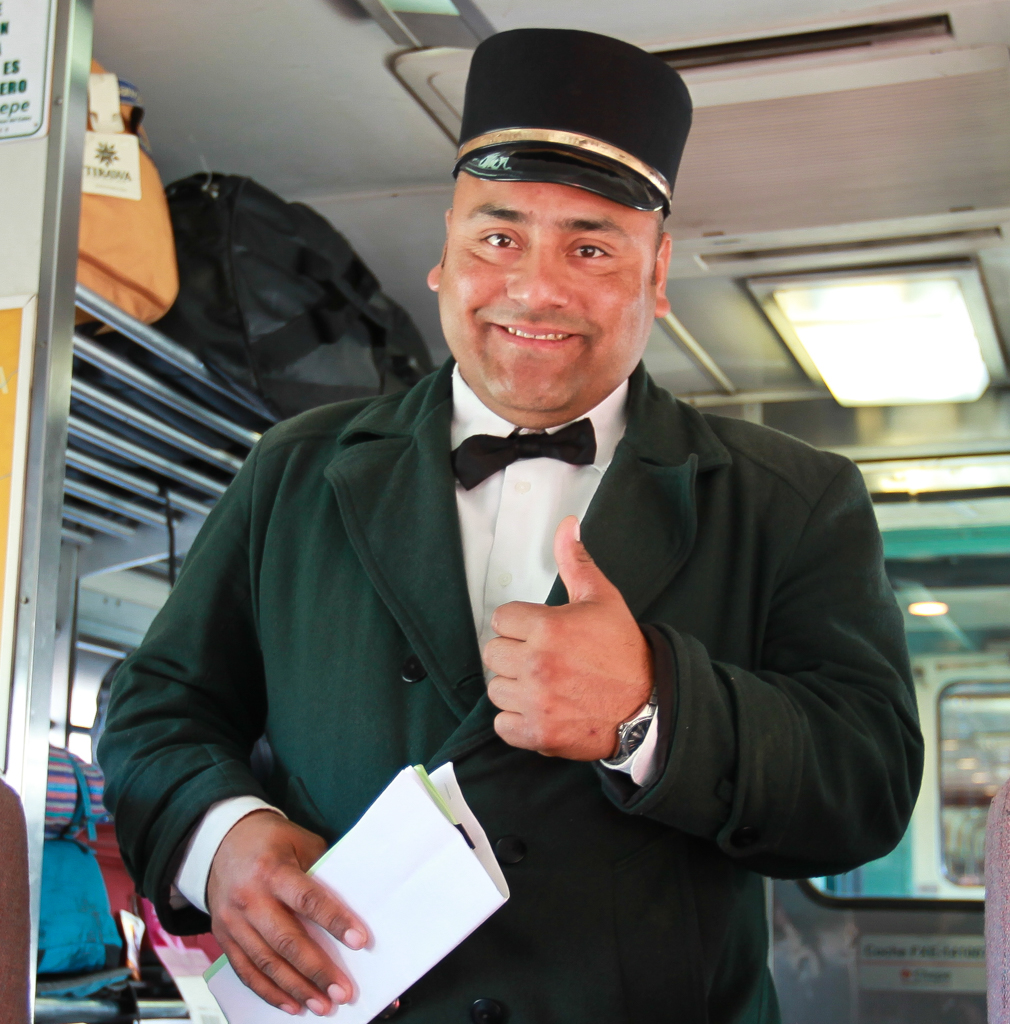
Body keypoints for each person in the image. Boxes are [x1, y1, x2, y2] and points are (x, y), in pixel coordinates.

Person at [98, 27, 923, 1024]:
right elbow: (154, 709)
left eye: (589, 245)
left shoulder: (792, 500)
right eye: (497, 237)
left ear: (656, 277)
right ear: (444, 254)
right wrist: (223, 834)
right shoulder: (293, 469)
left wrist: (649, 709)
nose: (534, 289)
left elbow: (867, 783)